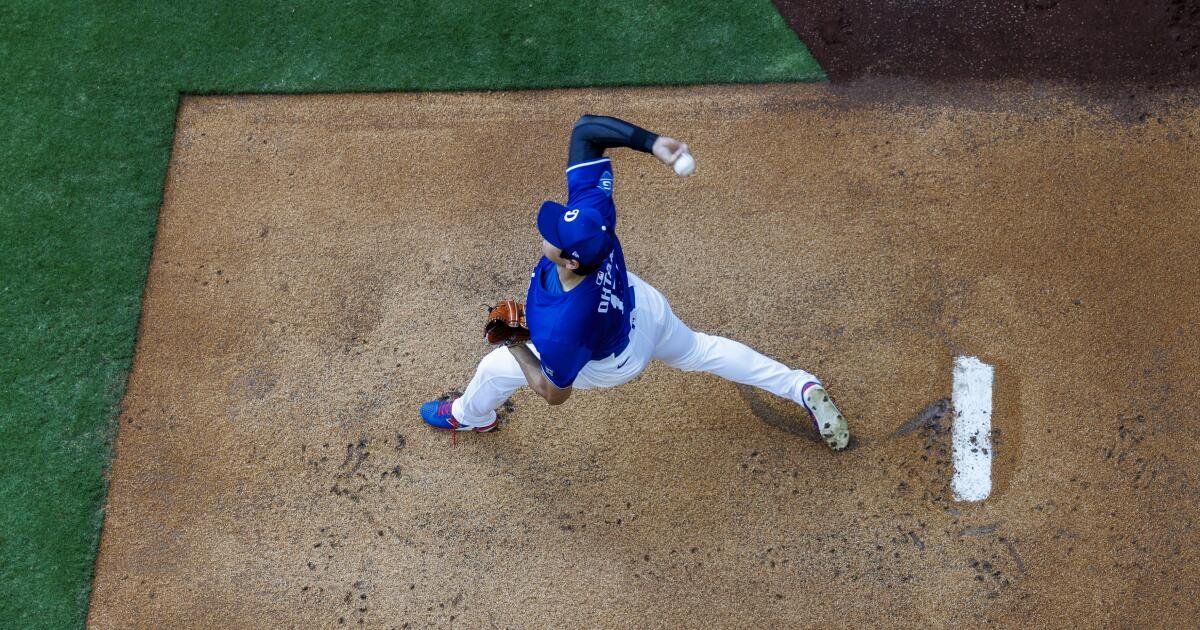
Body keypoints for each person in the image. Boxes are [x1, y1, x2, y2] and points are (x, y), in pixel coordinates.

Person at [419, 114, 850, 450]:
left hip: (615, 358)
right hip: (643, 307)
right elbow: (587, 131)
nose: (545, 234)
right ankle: (800, 385)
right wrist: (653, 144)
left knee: (496, 369)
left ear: (570, 260)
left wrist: (515, 346)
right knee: (699, 349)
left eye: (553, 237)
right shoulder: (594, 220)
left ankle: (471, 415)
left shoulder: (562, 327)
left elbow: (554, 393)